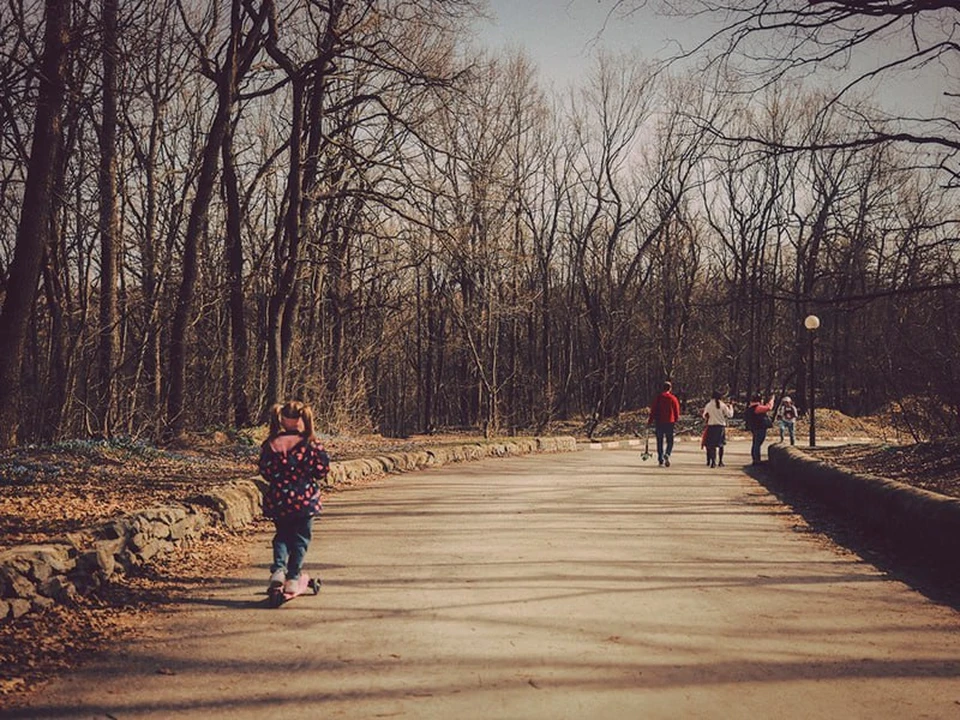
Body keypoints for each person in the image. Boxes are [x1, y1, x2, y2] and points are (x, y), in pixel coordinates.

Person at [258, 400, 330, 594]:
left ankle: (278, 570)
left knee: (282, 536)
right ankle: (293, 577)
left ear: (281, 419)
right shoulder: (312, 443)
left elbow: (265, 470)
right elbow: (322, 469)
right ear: (303, 419)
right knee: (300, 539)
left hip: (279, 498)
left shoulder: (271, 443)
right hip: (305, 500)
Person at [648, 381, 681, 467]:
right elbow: (676, 410)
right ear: (670, 388)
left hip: (659, 422)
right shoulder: (673, 398)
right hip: (670, 422)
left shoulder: (658, 398)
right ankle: (667, 454)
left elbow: (653, 410)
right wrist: (676, 419)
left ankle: (660, 459)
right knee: (670, 440)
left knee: (660, 441)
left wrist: (650, 421)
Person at [701, 390, 733, 468]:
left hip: (711, 426)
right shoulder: (723, 405)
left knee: (712, 445)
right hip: (720, 426)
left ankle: (713, 462)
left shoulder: (708, 405)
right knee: (721, 445)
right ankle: (720, 461)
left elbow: (704, 415)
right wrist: (731, 407)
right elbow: (729, 415)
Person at [746, 392, 775, 465]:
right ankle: (757, 459)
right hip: (760, 427)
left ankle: (755, 458)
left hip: (755, 427)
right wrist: (771, 400)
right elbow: (769, 408)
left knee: (755, 443)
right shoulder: (757, 407)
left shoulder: (751, 407)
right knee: (757, 444)